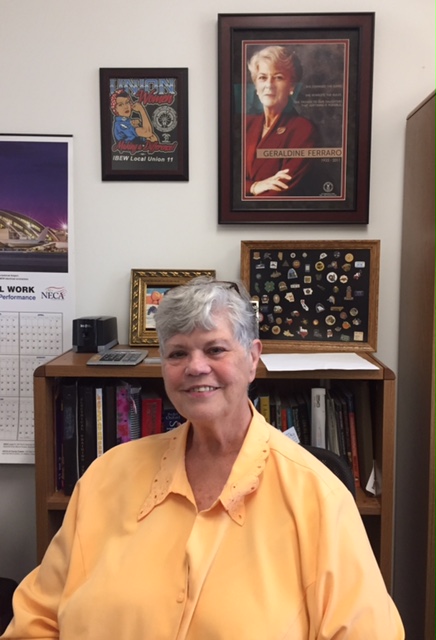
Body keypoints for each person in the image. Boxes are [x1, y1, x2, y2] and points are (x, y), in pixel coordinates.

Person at [2, 277, 404, 639]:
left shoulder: (319, 497)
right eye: (177, 354)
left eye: (215, 349)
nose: (196, 367)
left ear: (252, 358)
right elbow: (37, 618)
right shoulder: (106, 476)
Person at [245, 45, 320, 197]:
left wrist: (243, 194)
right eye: (262, 77)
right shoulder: (245, 124)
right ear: (256, 86)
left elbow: (280, 191)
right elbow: (227, 179)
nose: (269, 85)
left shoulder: (303, 130)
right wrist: (253, 187)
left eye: (278, 77)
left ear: (291, 86)